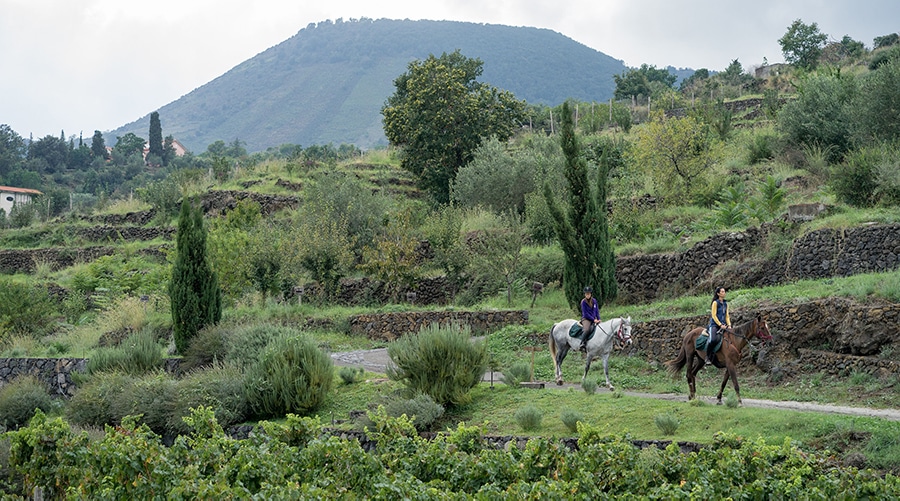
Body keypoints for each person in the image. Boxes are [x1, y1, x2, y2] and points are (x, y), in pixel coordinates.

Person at [706, 286, 731, 364]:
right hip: (714, 325)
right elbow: (714, 315)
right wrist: (720, 325)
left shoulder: (725, 303)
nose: (724, 293)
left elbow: (727, 316)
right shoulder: (715, 303)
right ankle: (708, 357)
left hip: (724, 325)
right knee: (713, 340)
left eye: (724, 291)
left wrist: (729, 325)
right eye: (722, 292)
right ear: (718, 293)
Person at [580, 286, 601, 352]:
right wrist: (593, 320)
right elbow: (585, 314)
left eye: (588, 294)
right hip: (586, 319)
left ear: (590, 294)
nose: (587, 295)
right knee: (587, 329)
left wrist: (599, 319)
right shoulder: (583, 302)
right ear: (585, 294)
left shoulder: (594, 301)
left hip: (594, 318)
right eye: (586, 294)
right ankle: (582, 343)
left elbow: (597, 311)